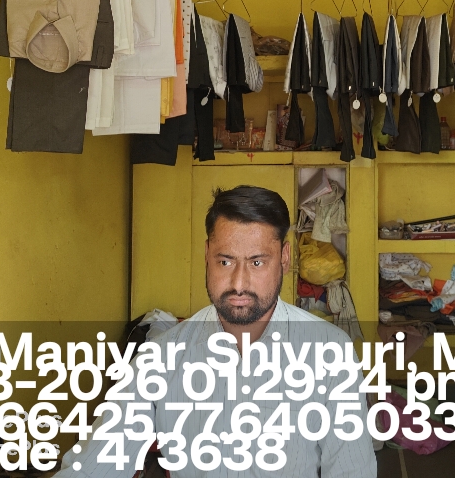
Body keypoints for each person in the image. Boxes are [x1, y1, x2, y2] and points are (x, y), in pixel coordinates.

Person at [56, 185, 375, 478]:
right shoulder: (159, 360)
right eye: (225, 262)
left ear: (285, 258)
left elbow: (352, 471)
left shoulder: (330, 352)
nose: (239, 283)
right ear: (207, 255)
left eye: (257, 263)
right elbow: (93, 468)